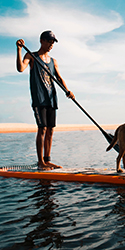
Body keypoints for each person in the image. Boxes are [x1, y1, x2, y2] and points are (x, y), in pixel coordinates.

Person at [16, 30, 75, 170]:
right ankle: (40, 162)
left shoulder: (53, 61)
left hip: (51, 98)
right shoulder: (31, 56)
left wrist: (68, 91)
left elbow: (59, 78)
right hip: (39, 99)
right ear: (42, 41)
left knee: (50, 130)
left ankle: (48, 160)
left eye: (53, 42)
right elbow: (20, 68)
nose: (51, 44)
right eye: (49, 41)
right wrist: (19, 50)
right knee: (42, 129)